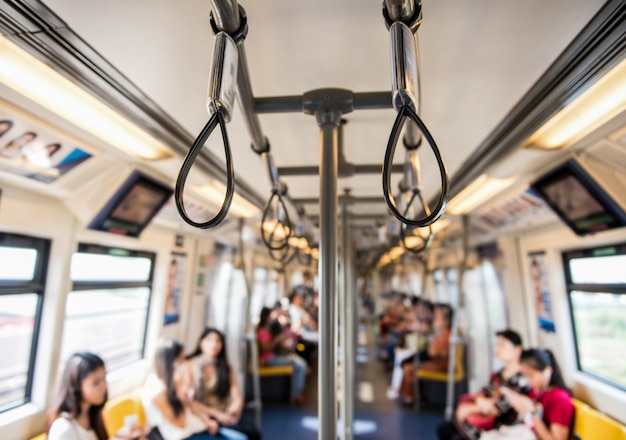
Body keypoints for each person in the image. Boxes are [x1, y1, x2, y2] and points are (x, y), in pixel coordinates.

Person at [141, 339, 247, 440]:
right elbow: (180, 423)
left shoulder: (172, 383)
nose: (186, 363)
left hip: (196, 429)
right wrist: (182, 385)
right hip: (184, 436)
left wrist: (206, 420)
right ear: (172, 364)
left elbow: (189, 404)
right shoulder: (158, 391)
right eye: (182, 359)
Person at [437, 329, 530, 440]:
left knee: (453, 434)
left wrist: (469, 409)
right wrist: (480, 401)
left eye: (502, 345)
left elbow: (497, 408)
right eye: (496, 344)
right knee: (445, 429)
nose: (497, 349)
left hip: (502, 426)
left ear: (518, 349)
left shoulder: (521, 379)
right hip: (484, 417)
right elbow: (486, 392)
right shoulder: (500, 374)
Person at [48, 352, 147, 440]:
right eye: (96, 383)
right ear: (77, 386)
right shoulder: (63, 428)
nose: (103, 387)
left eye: (104, 379)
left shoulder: (93, 416)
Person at [187, 328, 258, 440]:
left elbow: (237, 396)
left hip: (224, 411)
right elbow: (189, 401)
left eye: (218, 341)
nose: (214, 344)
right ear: (201, 342)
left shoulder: (225, 367)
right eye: (209, 340)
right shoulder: (190, 366)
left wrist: (236, 406)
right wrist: (217, 415)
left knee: (253, 433)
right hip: (204, 414)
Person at [500, 348, 574, 440]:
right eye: (525, 375)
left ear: (547, 371)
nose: (528, 380)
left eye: (531, 375)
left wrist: (531, 413)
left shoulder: (559, 399)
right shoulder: (536, 392)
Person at [398, 303, 452, 405]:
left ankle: (411, 397)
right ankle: (410, 395)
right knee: (409, 364)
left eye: (438, 317)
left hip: (441, 365)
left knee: (411, 368)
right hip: (436, 362)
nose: (435, 319)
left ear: (446, 321)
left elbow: (434, 352)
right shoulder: (442, 333)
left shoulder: (446, 335)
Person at [257, 307, 308, 404]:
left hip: (273, 356)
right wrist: (278, 339)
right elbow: (266, 348)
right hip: (269, 359)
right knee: (300, 364)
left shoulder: (270, 329)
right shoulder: (262, 332)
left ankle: (296, 393)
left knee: (299, 362)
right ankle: (296, 395)